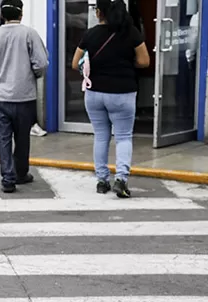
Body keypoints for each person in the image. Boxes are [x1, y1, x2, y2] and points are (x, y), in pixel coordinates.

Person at [72, 0, 150, 198]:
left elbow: (75, 64)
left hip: (94, 93)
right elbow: (144, 61)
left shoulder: (90, 34)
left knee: (101, 136)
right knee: (123, 137)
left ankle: (102, 180)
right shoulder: (131, 32)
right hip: (123, 93)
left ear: (99, 13)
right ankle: (121, 179)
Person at [0, 0, 48, 193]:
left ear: (2, 15)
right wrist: (34, 74)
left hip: (1, 97)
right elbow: (42, 63)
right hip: (25, 96)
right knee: (22, 138)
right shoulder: (30, 34)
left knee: (3, 138)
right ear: (21, 14)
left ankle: (7, 177)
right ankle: (21, 173)